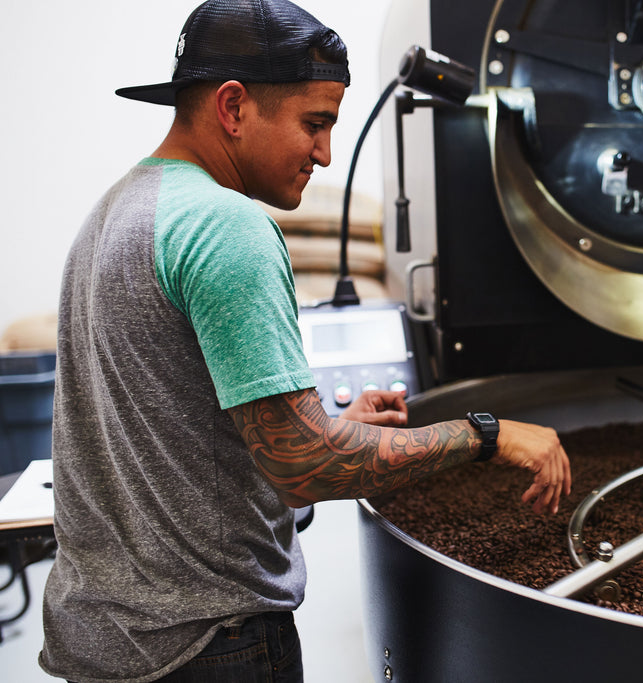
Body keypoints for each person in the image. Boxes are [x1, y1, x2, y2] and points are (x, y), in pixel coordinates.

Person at [38, 1, 572, 681]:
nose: (324, 154)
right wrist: (488, 435)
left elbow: (177, 444)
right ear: (233, 107)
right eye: (313, 125)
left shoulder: (116, 210)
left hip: (108, 644)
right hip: (207, 646)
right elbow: (307, 468)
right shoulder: (225, 226)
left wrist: (326, 428)